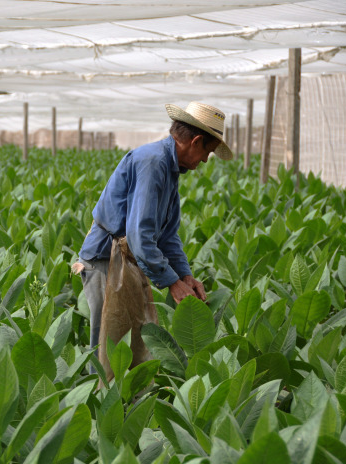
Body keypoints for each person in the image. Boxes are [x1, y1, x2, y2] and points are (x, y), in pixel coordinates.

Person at [72, 102, 233, 373]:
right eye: (207, 151)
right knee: (107, 352)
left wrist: (184, 276)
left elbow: (167, 236)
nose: (205, 160)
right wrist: (170, 282)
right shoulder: (153, 163)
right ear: (195, 141)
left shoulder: (168, 170)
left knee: (129, 345)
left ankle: (124, 408)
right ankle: (97, 410)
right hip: (105, 261)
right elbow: (139, 235)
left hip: (125, 261)